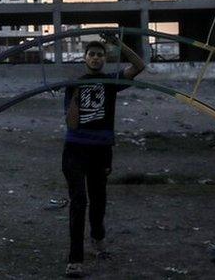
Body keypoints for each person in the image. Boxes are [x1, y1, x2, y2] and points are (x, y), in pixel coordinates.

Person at [62, 34, 146, 278]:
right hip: (75, 149)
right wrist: (77, 94)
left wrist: (120, 44)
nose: (96, 58)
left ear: (105, 58)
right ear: (85, 58)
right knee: (79, 202)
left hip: (101, 150)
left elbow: (139, 67)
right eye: (92, 54)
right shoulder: (74, 83)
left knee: (98, 201)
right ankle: (75, 259)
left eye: (100, 54)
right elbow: (72, 124)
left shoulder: (112, 81)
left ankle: (97, 237)